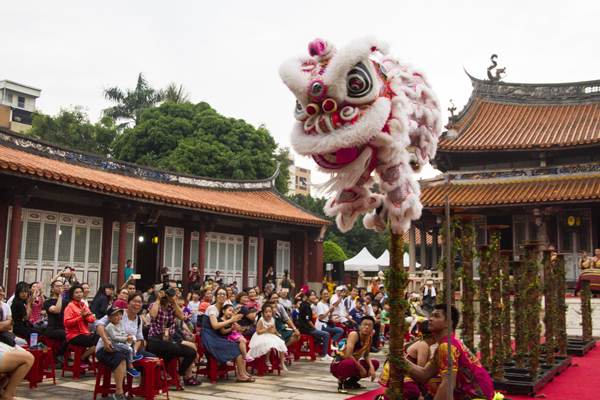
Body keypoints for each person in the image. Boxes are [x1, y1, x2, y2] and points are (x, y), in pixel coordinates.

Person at [407, 304, 494, 400]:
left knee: (436, 385)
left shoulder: (447, 346)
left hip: (477, 397)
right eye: (432, 316)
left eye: (436, 316)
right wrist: (402, 360)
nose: (431, 319)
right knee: (433, 383)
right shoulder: (446, 344)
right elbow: (424, 375)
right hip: (480, 394)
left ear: (448, 323)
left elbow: (448, 384)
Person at [95, 296, 156, 400]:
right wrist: (106, 341)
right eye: (134, 301)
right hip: (108, 348)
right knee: (121, 358)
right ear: (128, 303)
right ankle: (119, 393)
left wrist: (135, 350)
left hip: (128, 348)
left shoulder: (138, 320)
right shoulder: (118, 313)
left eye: (140, 302)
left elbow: (139, 339)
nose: (137, 304)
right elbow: (99, 324)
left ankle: (142, 389)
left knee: (153, 359)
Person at [147, 285, 199, 389]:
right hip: (155, 340)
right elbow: (153, 315)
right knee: (174, 348)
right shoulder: (154, 304)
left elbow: (181, 316)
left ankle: (181, 375)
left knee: (191, 352)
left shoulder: (172, 307)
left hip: (169, 340)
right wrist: (158, 298)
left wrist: (174, 301)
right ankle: (162, 369)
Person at [201, 287, 255, 382]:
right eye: (219, 294)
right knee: (236, 347)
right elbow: (215, 326)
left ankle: (243, 372)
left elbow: (225, 323)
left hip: (218, 335)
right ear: (216, 296)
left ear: (227, 297)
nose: (222, 296)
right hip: (209, 336)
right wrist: (231, 320)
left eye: (224, 294)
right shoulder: (212, 308)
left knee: (240, 343)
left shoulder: (223, 308)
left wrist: (234, 325)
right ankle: (241, 375)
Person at [378, 320, 437, 400]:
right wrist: (419, 393)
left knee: (432, 385)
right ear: (434, 334)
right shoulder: (423, 345)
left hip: (407, 373)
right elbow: (421, 375)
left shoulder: (422, 343)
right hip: (398, 373)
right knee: (414, 391)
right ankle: (384, 397)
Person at [330, 315, 379, 394]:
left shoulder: (369, 338)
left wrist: (371, 367)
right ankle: (341, 384)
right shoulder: (354, 334)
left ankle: (351, 382)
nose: (366, 327)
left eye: (369, 325)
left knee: (375, 363)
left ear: (372, 329)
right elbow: (348, 355)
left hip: (353, 364)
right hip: (340, 365)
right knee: (350, 362)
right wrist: (360, 368)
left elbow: (366, 355)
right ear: (359, 326)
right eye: (364, 324)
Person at [64, 284, 99, 366]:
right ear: (72, 296)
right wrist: (81, 317)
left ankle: (83, 357)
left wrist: (87, 317)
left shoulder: (83, 305)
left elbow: (90, 320)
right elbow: (66, 323)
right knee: (99, 341)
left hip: (84, 333)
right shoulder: (70, 306)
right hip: (74, 335)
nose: (79, 294)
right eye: (76, 292)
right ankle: (81, 358)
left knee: (101, 340)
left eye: (80, 292)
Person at [248, 303, 288, 371]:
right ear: (263, 313)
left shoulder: (272, 319)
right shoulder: (261, 320)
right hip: (261, 335)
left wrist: (277, 333)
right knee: (268, 344)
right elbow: (258, 331)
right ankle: (267, 360)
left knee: (281, 343)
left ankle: (282, 363)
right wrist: (266, 330)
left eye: (270, 312)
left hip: (269, 335)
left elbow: (273, 328)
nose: (268, 314)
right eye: (266, 312)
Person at [105, 306, 142, 376]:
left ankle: (133, 355)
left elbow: (122, 334)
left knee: (133, 339)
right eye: (116, 315)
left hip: (120, 342)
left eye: (120, 314)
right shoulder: (110, 326)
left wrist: (127, 336)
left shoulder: (119, 325)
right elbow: (114, 337)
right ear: (110, 318)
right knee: (128, 349)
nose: (119, 317)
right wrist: (126, 339)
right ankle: (130, 366)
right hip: (114, 344)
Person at [298, 290, 334, 361]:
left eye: (314, 295)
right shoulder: (307, 306)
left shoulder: (305, 304)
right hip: (306, 329)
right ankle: (324, 355)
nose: (313, 297)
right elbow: (308, 320)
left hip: (306, 328)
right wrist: (315, 328)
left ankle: (307, 347)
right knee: (326, 335)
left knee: (321, 337)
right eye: (311, 295)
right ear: (307, 297)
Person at [43, 281, 70, 364]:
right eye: (57, 286)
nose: (60, 288)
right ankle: (59, 354)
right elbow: (56, 310)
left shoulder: (66, 301)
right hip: (52, 329)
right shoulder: (47, 302)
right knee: (69, 335)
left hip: (63, 328)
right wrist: (60, 296)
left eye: (61, 286)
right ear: (52, 289)